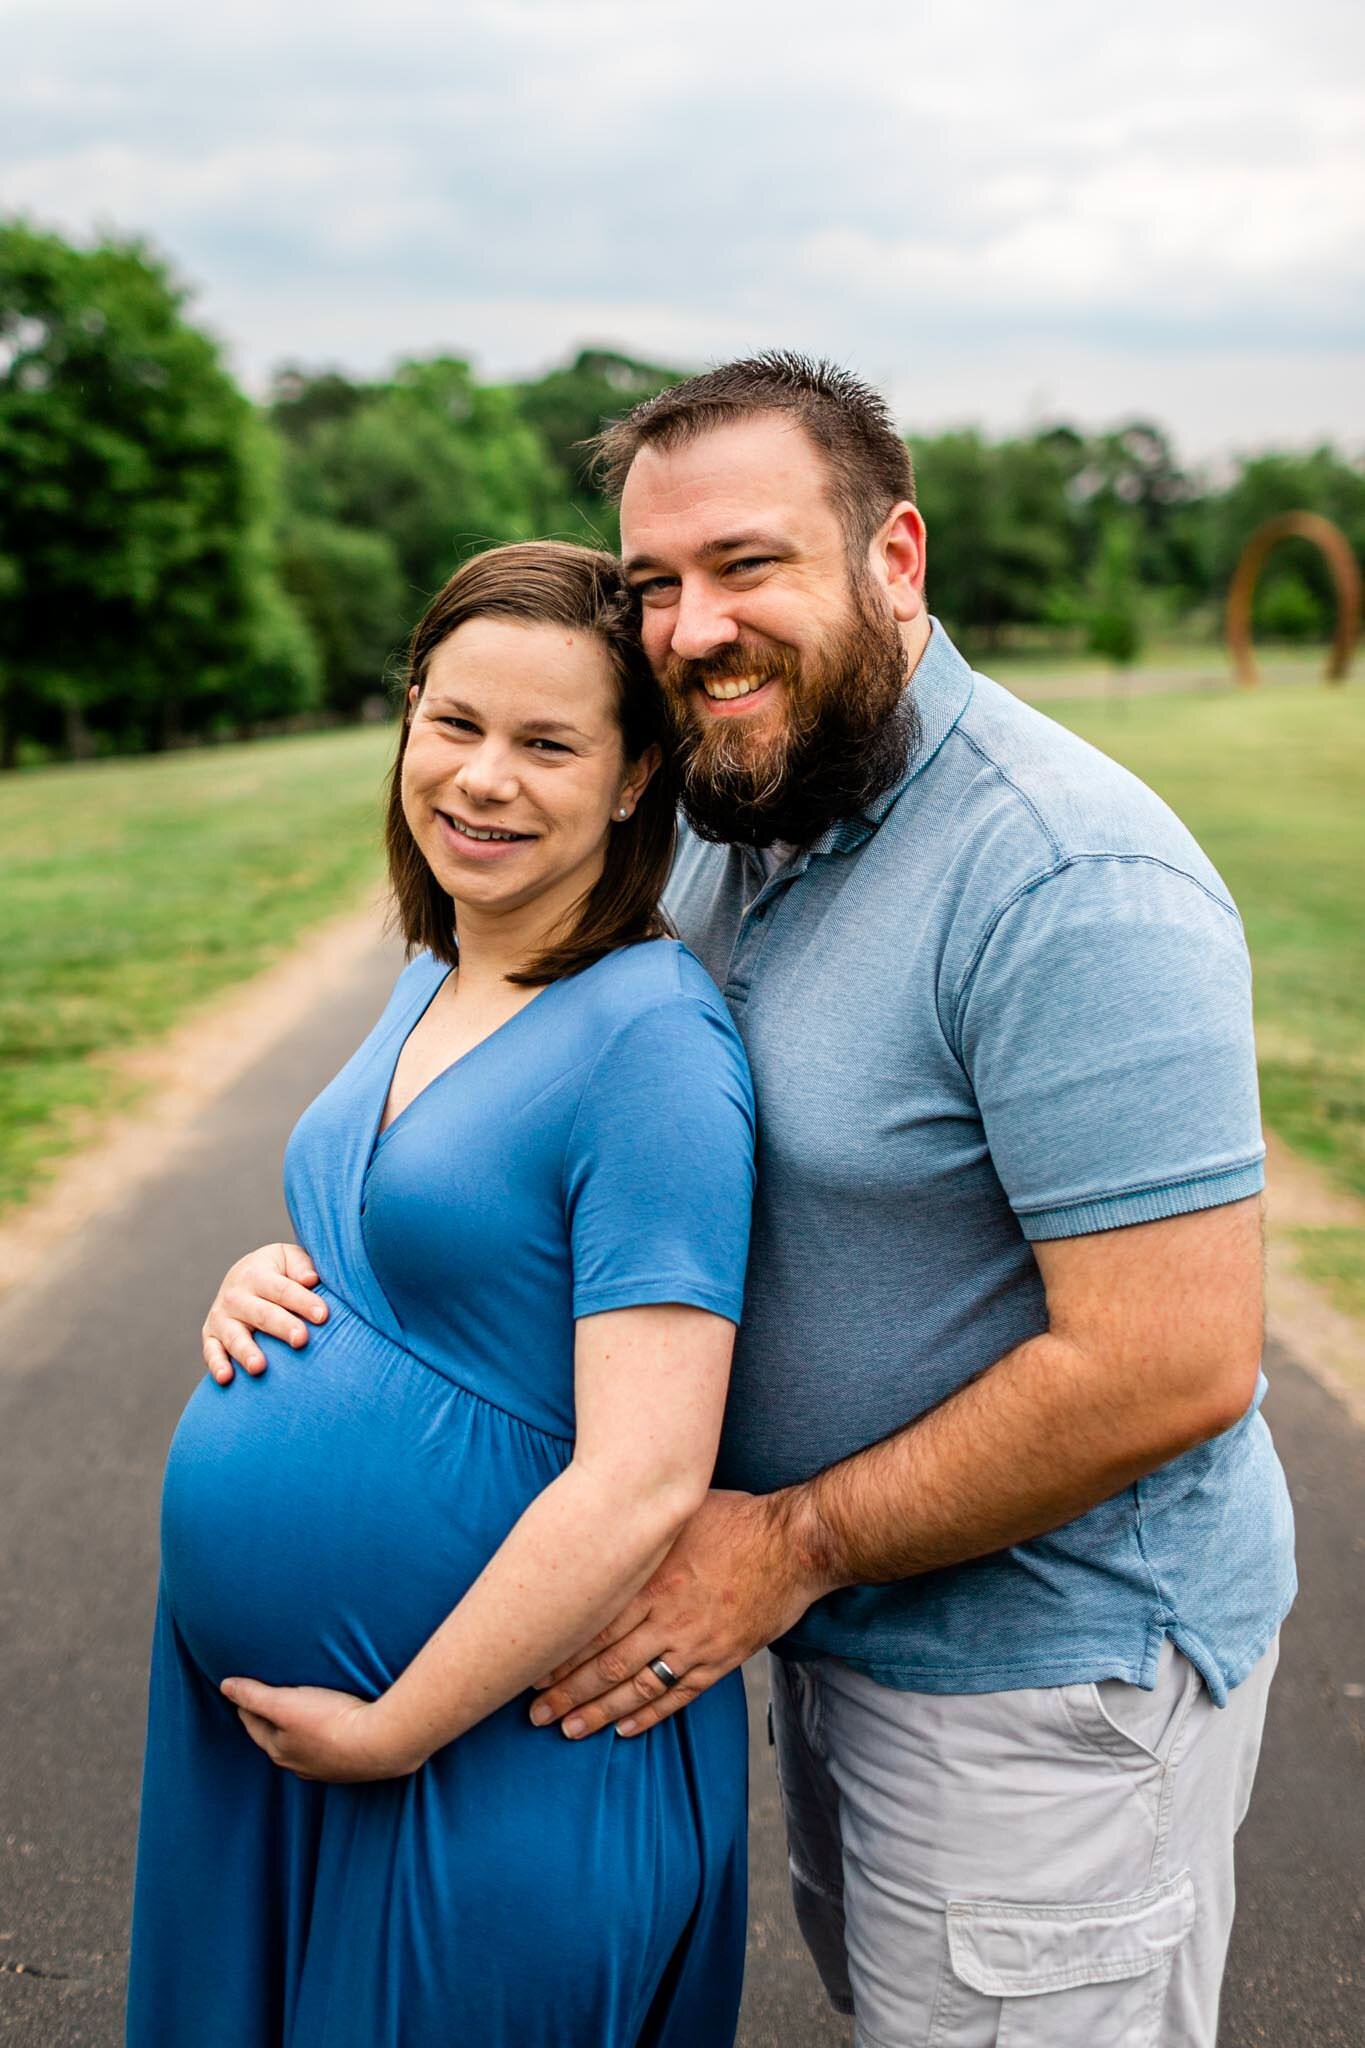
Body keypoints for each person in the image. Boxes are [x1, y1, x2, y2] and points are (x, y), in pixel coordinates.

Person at [208, 358, 1296, 2048]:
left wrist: (785, 1544)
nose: (692, 624)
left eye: (746, 564)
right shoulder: (738, 809)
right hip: (830, 1643)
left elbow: (1169, 1366)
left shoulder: (1070, 881)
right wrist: (331, 1285)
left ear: (896, 558)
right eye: (654, 583)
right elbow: (545, 1138)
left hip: (1040, 1675)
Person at [128, 542, 757, 2048]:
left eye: (548, 744)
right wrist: (277, 1269)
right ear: (407, 717)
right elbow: (431, 1249)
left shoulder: (656, 1049)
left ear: (631, 780)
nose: (483, 779)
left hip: (490, 1753)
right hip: (291, 1757)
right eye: (455, 723)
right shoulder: (441, 967)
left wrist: (393, 1731)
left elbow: (646, 1474)